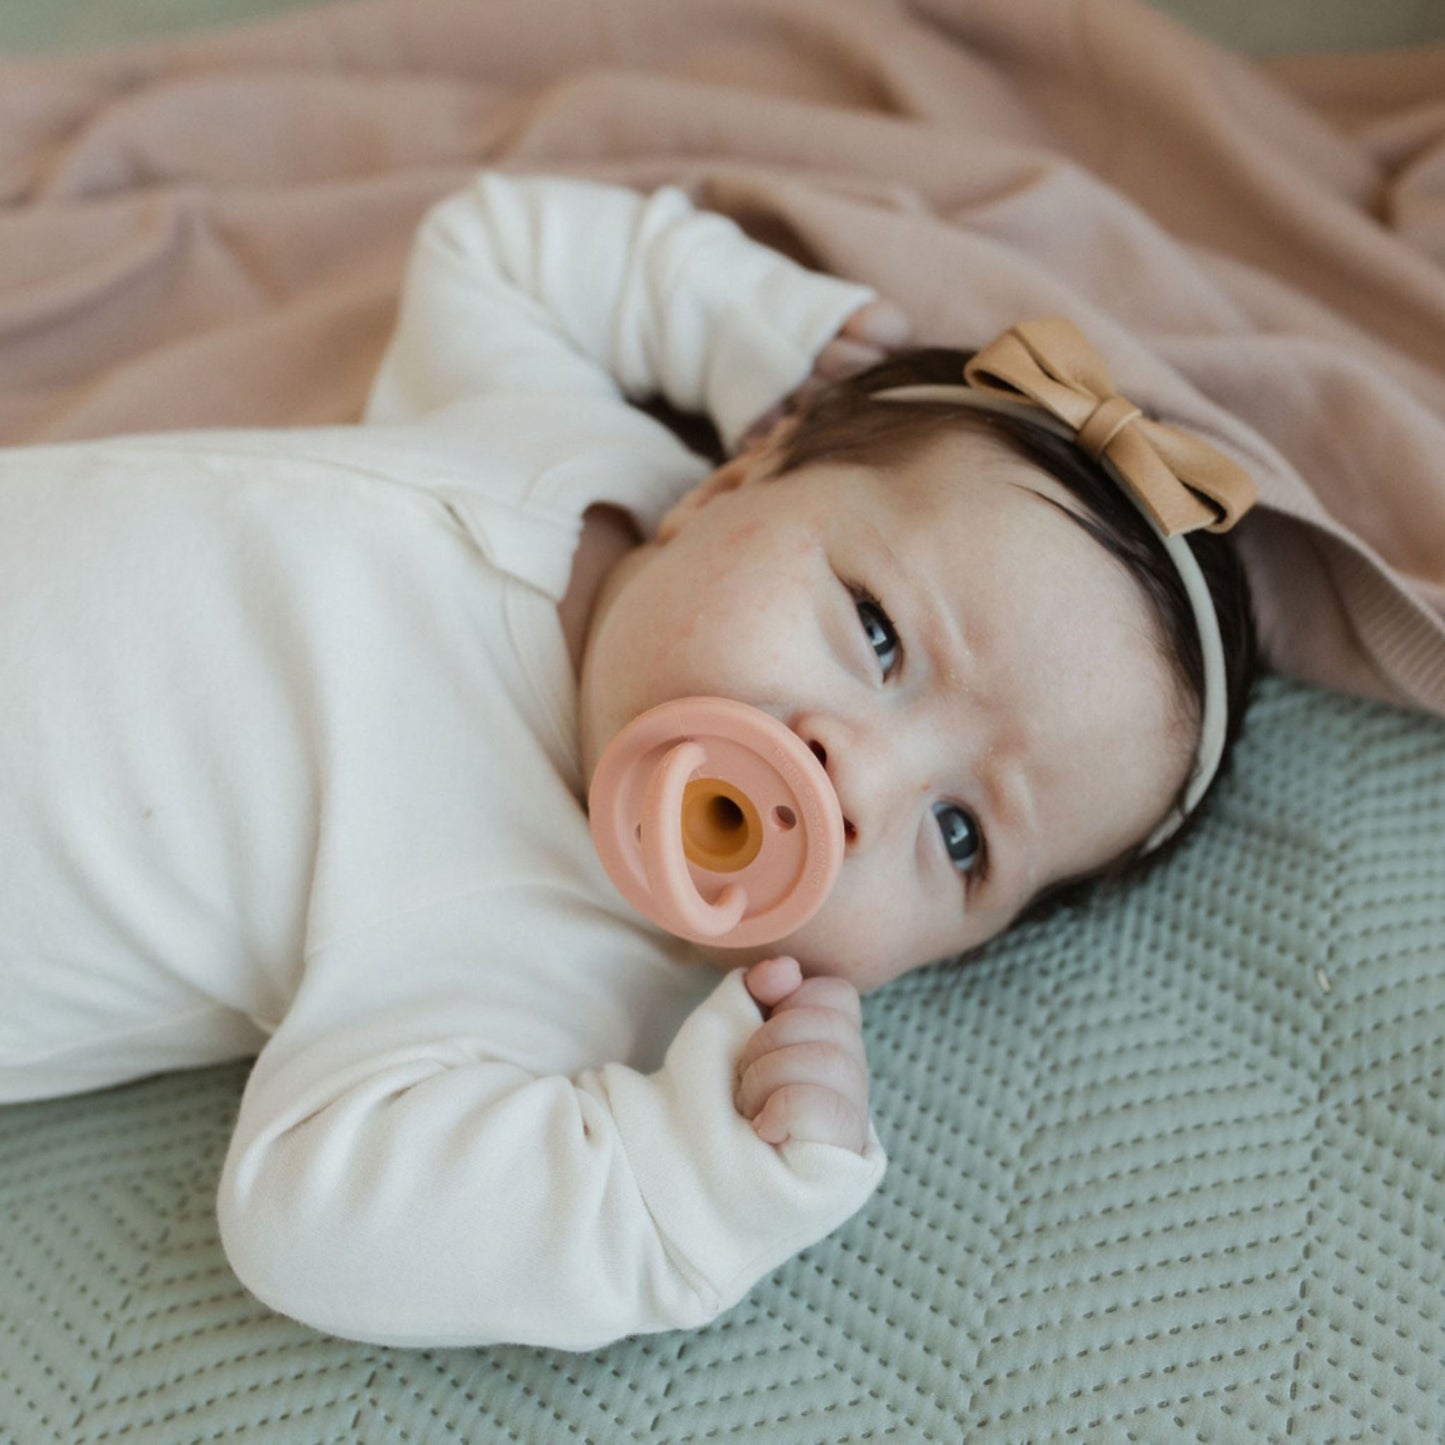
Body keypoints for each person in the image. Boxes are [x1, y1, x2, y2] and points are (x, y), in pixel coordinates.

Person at [0, 170, 1258, 1349]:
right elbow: (490, 248)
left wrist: (684, 1179)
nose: (857, 785)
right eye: (875, 633)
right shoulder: (562, 438)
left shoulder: (544, 949)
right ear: (739, 477)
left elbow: (306, 1218)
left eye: (961, 835)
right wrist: (748, 323)